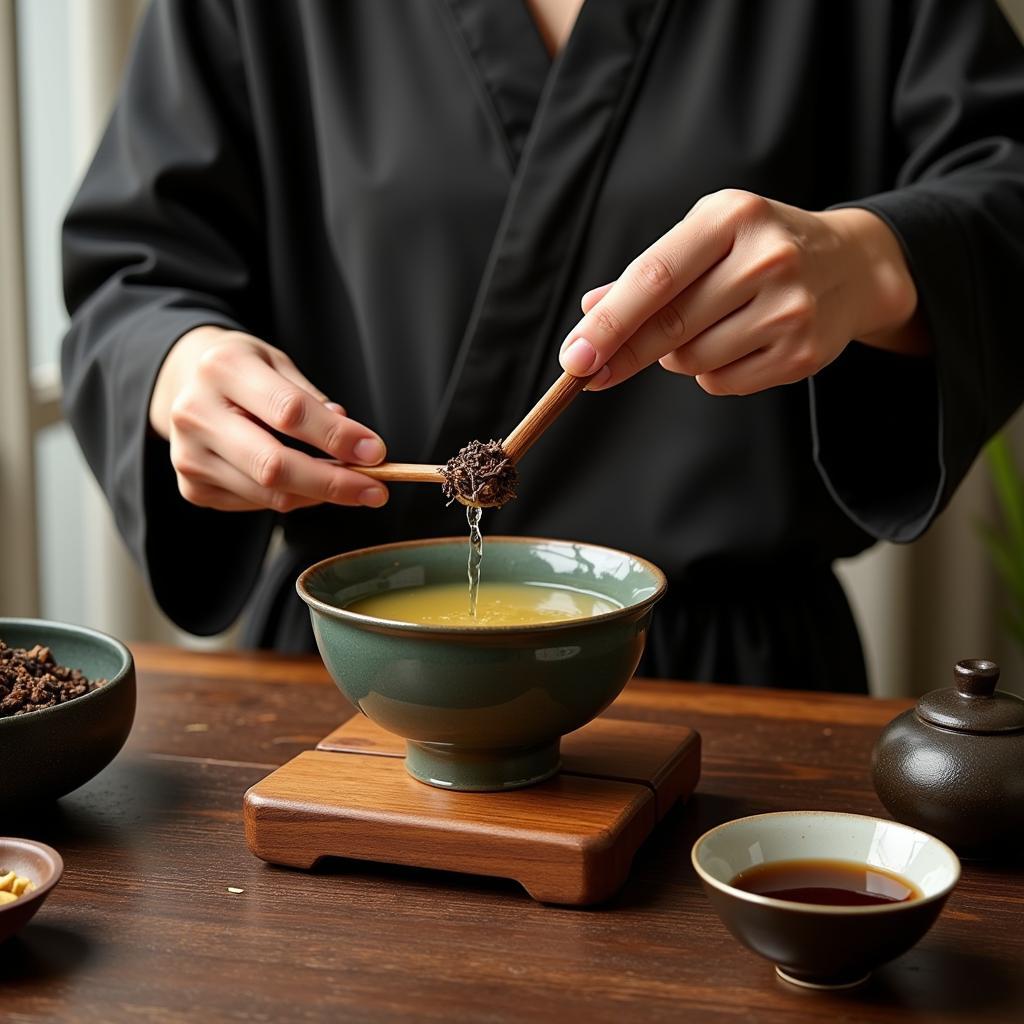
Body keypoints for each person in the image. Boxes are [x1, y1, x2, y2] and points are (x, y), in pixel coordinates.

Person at [62, 0, 1024, 691]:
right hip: (347, 672)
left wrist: (876, 260)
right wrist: (177, 364)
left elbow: (1004, 185)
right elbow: (133, 274)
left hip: (729, 688)